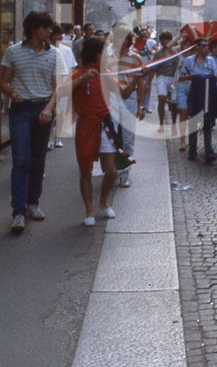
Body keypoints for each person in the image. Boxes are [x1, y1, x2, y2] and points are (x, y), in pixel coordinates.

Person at [0, 10, 67, 234]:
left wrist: (49, 108)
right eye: (46, 27)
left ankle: (33, 204)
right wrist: (11, 93)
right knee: (20, 159)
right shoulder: (13, 52)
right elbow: (3, 81)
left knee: (38, 159)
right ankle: (18, 211)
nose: (50, 31)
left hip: (42, 109)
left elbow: (58, 87)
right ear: (33, 29)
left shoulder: (54, 55)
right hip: (20, 109)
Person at [65, 36, 119, 226]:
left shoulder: (105, 73)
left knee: (112, 171)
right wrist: (83, 78)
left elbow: (124, 92)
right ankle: (89, 209)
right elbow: (62, 90)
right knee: (85, 170)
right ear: (97, 53)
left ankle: (103, 199)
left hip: (105, 123)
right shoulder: (78, 72)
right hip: (86, 125)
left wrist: (138, 79)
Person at [107, 22, 146, 187]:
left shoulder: (136, 58)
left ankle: (125, 173)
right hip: (111, 99)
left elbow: (141, 82)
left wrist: (141, 105)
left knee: (128, 138)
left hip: (129, 100)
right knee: (111, 137)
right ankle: (111, 169)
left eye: (126, 38)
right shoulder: (108, 57)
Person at [177, 41, 217, 163]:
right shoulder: (189, 60)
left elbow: (215, 75)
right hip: (195, 93)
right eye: (204, 45)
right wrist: (188, 77)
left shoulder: (211, 60)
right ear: (197, 47)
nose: (206, 48)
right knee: (194, 121)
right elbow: (181, 76)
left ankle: (209, 151)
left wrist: (214, 78)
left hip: (207, 93)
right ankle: (192, 150)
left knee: (207, 122)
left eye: (207, 45)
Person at [49, 24, 78, 149]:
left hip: (63, 84)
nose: (61, 37)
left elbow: (72, 68)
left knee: (60, 112)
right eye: (58, 34)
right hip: (48, 84)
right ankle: (49, 138)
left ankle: (58, 137)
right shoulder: (46, 49)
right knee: (50, 111)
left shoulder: (66, 50)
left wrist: (68, 83)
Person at [151, 30, 182, 136]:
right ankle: (161, 123)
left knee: (173, 103)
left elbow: (181, 62)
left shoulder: (176, 51)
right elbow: (153, 68)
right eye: (163, 40)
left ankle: (173, 124)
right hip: (162, 77)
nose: (165, 42)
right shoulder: (158, 54)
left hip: (173, 78)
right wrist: (148, 82)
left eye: (167, 40)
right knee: (162, 99)